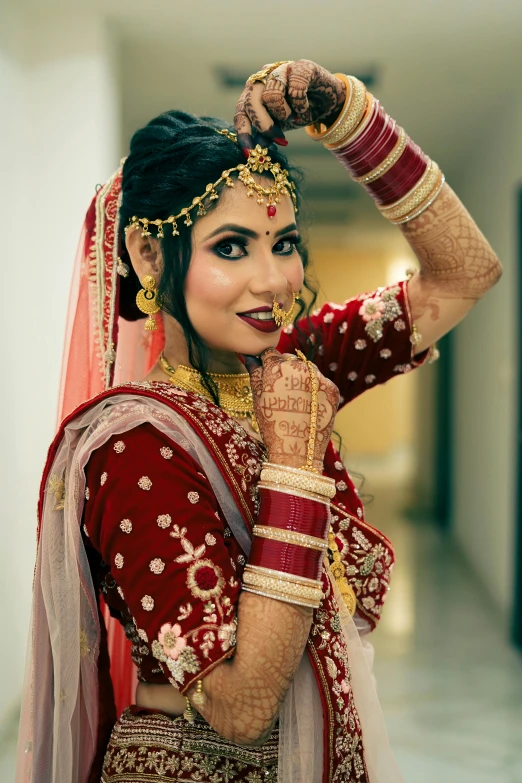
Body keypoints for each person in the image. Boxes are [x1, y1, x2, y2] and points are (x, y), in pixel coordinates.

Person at [16, 60, 501, 783]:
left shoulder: (292, 368)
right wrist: (297, 464)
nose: (274, 281)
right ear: (150, 252)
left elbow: (465, 273)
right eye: (231, 246)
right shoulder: (133, 448)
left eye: (284, 243)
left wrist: (352, 121)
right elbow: (241, 704)